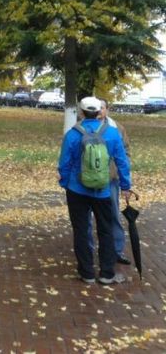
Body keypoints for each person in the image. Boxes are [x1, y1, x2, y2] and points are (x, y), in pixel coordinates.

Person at [58, 96, 132, 285]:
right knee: (105, 230)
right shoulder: (112, 133)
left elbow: (64, 163)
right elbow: (122, 161)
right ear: (100, 111)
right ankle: (107, 274)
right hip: (103, 191)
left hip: (77, 190)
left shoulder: (73, 134)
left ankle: (87, 273)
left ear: (81, 113)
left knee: (81, 230)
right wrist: (125, 186)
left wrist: (65, 182)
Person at [85, 99, 132, 264]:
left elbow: (125, 152)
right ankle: (88, 251)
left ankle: (116, 250)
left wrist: (123, 177)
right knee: (86, 218)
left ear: (107, 109)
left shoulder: (117, 128)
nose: (99, 111)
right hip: (87, 179)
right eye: (97, 108)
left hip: (110, 179)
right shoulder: (84, 126)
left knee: (113, 215)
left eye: (102, 108)